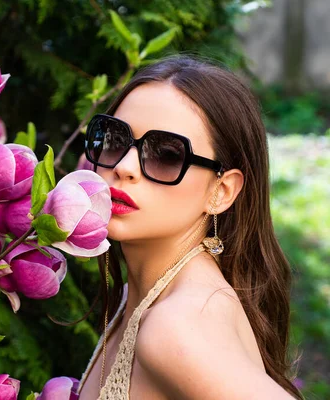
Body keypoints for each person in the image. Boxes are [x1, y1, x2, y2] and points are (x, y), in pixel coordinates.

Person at [77, 56, 303, 399]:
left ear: (221, 191)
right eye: (115, 139)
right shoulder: (149, 298)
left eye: (166, 155)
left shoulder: (177, 325)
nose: (124, 167)